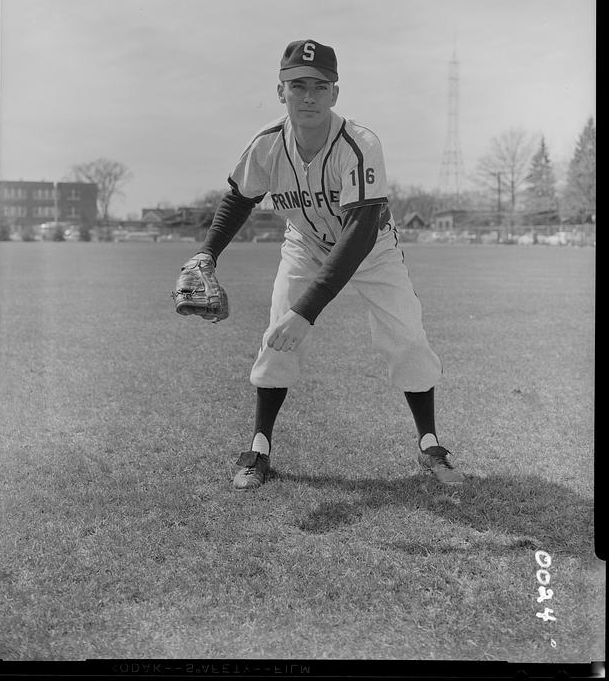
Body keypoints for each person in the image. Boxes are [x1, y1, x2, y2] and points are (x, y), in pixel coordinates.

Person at [182, 39, 464, 490]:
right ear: (281, 92)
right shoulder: (268, 145)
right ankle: (259, 447)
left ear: (335, 93)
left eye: (319, 86)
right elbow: (239, 197)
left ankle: (430, 444)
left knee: (406, 337)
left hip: (371, 247)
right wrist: (206, 254)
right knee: (277, 334)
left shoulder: (359, 144)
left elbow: (359, 231)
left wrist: (306, 311)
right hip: (305, 243)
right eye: (297, 86)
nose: (308, 96)